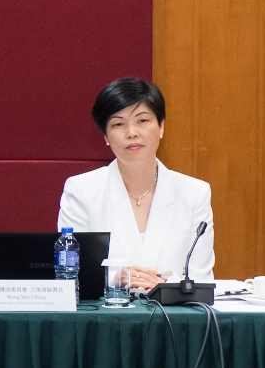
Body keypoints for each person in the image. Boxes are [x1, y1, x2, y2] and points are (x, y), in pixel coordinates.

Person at [58, 77, 214, 288]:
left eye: (142, 121)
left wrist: (164, 283)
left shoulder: (194, 193)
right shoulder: (81, 191)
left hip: (172, 310)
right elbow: (72, 274)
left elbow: (202, 281)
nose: (131, 133)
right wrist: (116, 279)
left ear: (161, 126)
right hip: (109, 308)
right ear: (105, 136)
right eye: (118, 124)